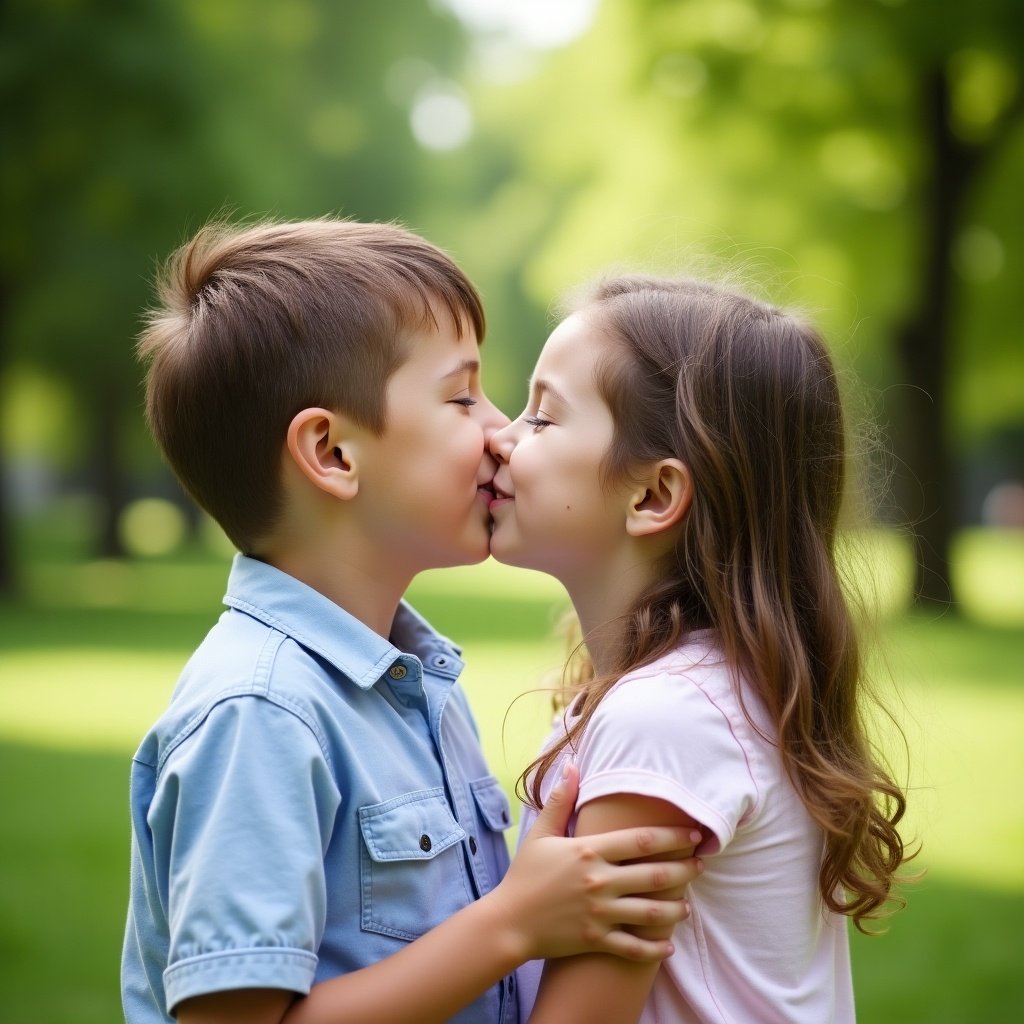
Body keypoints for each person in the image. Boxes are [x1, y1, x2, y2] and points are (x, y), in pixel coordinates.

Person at [121, 221, 704, 1024]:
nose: (503, 429)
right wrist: (509, 924)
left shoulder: (413, 684)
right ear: (331, 453)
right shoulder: (260, 714)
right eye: (462, 396)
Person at [488, 275, 912, 1023]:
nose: (502, 436)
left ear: (652, 496)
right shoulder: (709, 691)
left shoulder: (665, 719)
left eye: (544, 417)